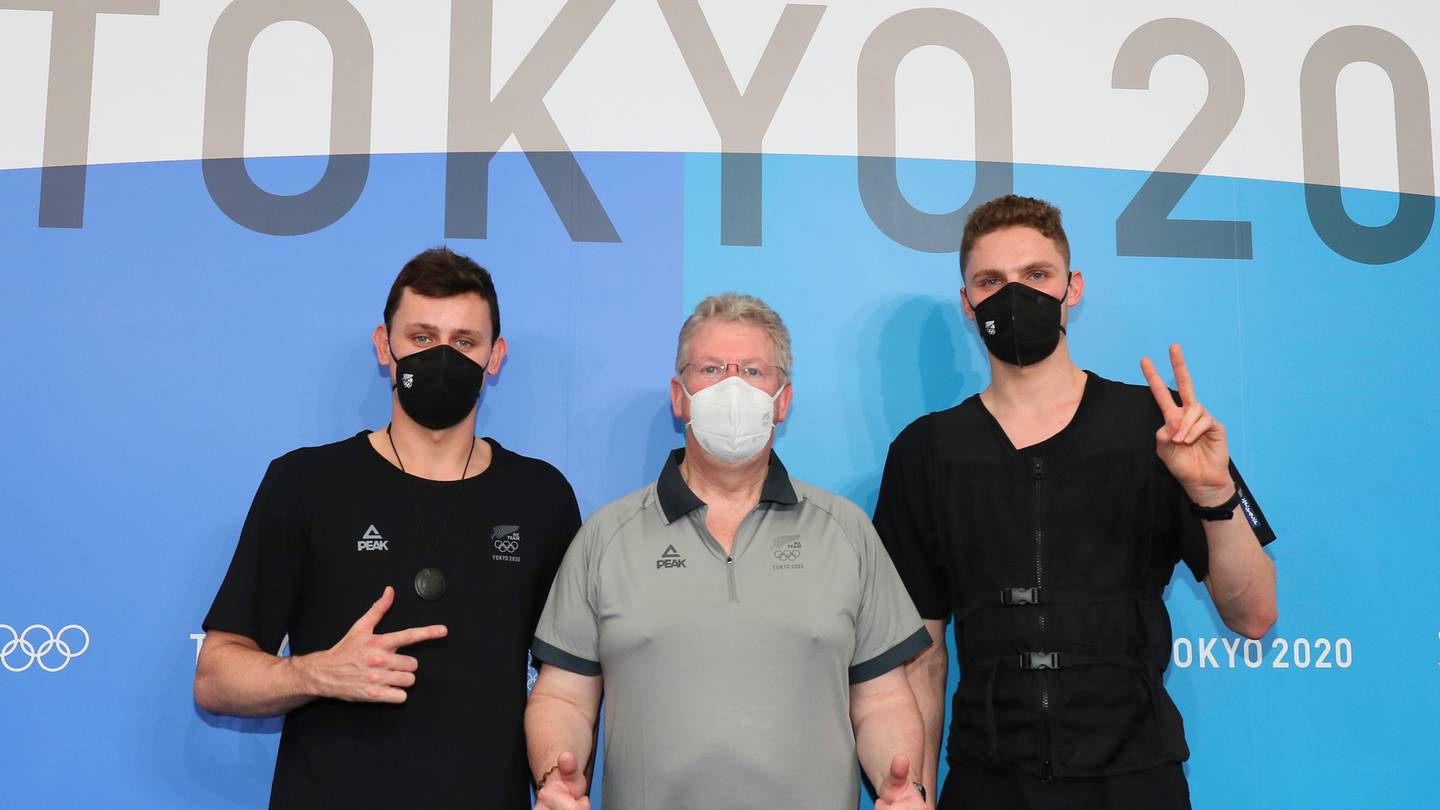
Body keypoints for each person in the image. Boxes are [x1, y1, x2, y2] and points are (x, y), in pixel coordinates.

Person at [873, 195, 1277, 809]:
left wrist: (1213, 493)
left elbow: (1254, 615)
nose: (1015, 295)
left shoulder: (1161, 426)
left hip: (1136, 778)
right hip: (988, 781)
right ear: (967, 303)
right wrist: (918, 793)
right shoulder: (925, 452)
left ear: (1073, 287)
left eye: (1036, 275)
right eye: (991, 281)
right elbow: (920, 659)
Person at [194, 247, 581, 808]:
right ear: (385, 346)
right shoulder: (306, 482)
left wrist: (552, 778)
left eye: (464, 341)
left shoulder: (541, 496)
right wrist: (316, 673)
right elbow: (214, 676)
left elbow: (566, 685)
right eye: (422, 338)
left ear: (495, 357)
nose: (443, 356)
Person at [524, 293, 933, 810]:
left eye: (754, 371)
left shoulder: (845, 531)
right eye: (712, 368)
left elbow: (882, 699)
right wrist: (554, 773)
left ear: (782, 400)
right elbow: (563, 696)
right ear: (680, 395)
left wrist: (903, 785)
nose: (733, 387)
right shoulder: (606, 537)